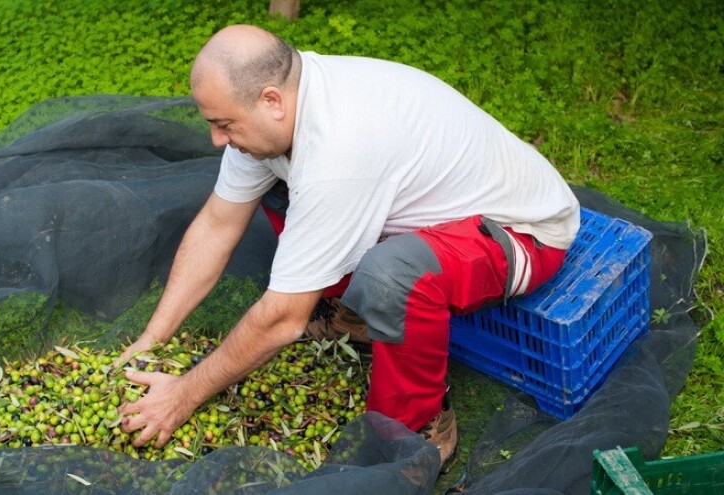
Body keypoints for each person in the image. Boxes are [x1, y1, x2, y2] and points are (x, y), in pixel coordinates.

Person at [116, 24, 580, 473]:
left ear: (271, 101)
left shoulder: (338, 152)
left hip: (520, 232)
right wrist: (153, 338)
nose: (217, 139)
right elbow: (218, 224)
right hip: (422, 206)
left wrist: (182, 394)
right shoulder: (287, 109)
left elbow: (281, 318)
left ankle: (417, 426)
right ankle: (355, 315)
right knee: (276, 185)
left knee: (393, 276)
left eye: (224, 124)